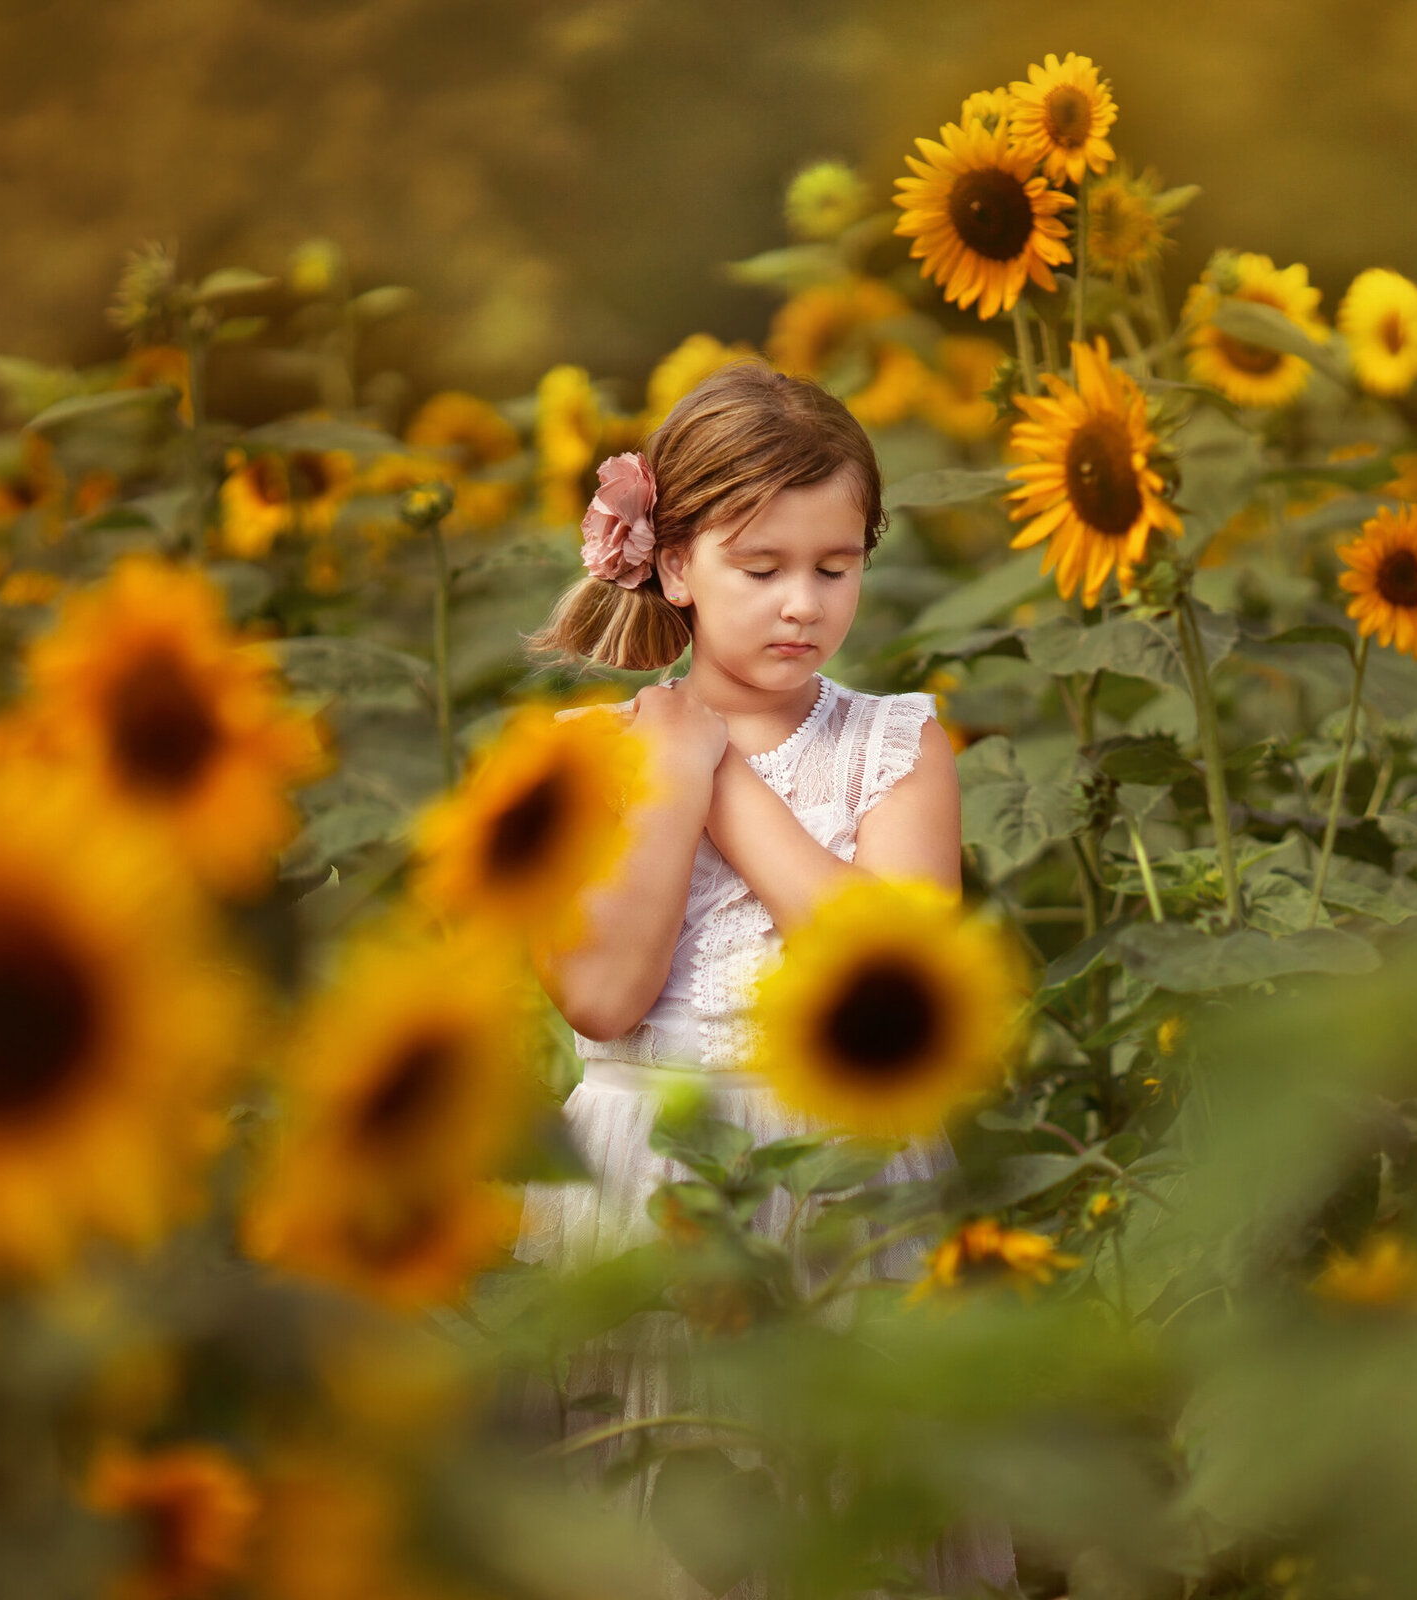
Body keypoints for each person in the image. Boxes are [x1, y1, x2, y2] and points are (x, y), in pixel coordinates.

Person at [513, 360, 1014, 1596]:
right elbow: (600, 997)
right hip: (646, 1181)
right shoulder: (586, 758)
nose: (802, 605)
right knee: (654, 1505)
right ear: (675, 566)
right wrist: (671, 773)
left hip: (843, 1180)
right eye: (762, 567)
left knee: (843, 1520)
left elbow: (894, 971)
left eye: (833, 568)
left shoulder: (896, 747)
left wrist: (724, 783)